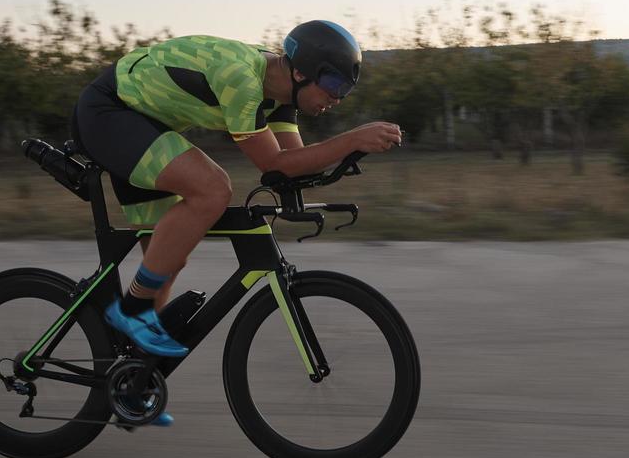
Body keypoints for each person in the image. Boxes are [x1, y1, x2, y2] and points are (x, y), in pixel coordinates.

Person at [70, 21, 401, 420]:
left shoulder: (280, 96)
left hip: (144, 124)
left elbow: (291, 169)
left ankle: (132, 372)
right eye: (332, 84)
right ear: (299, 72)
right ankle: (132, 312)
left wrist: (347, 158)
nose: (337, 97)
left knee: (167, 252)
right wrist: (351, 138)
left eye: (344, 89)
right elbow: (273, 163)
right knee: (212, 189)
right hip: (110, 113)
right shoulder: (241, 79)